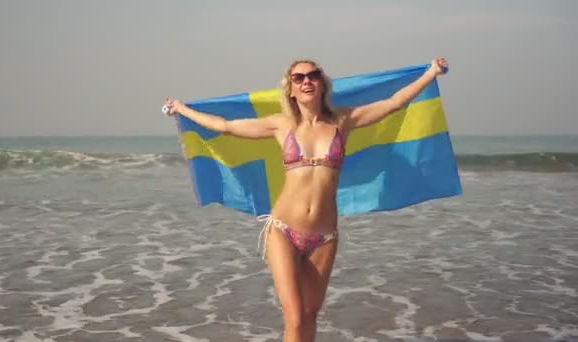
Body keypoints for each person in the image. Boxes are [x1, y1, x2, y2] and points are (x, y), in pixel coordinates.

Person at [164, 57, 448, 342]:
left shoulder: (342, 121)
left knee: (311, 313)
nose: (306, 81)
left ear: (322, 84)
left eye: (313, 75)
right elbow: (225, 126)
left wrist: (431, 73)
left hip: (324, 236)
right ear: (290, 89)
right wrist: (183, 110)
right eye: (298, 78)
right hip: (283, 230)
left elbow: (395, 102)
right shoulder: (281, 125)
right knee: (296, 316)